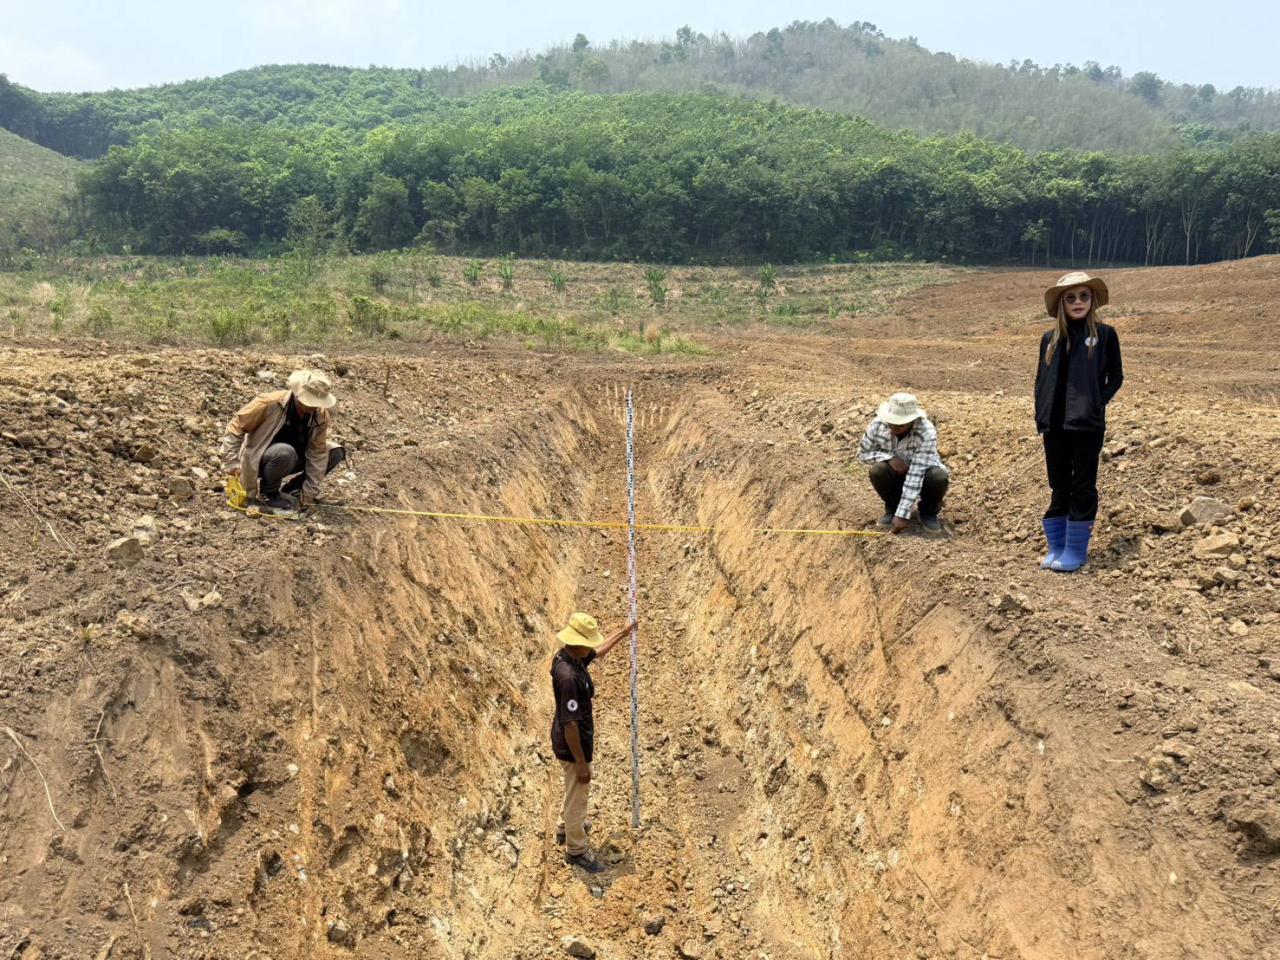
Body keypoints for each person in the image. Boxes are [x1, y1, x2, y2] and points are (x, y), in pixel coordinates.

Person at [1034, 272, 1124, 572]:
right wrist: (1041, 412)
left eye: (1083, 296)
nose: (1077, 302)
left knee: (1082, 485)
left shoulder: (1105, 335)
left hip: (1086, 425)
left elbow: (1116, 377)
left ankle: (1075, 550)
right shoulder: (1049, 339)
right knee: (1058, 484)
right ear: (1061, 303)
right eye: (1070, 298)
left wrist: (1097, 403)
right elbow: (1040, 380)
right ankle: (1057, 547)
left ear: (1092, 300)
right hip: (1054, 424)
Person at [550, 611, 636, 874]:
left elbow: (598, 652)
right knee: (578, 794)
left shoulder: (570, 656)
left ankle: (566, 828)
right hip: (571, 746)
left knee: (572, 789)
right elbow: (570, 724)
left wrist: (623, 632)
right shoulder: (568, 677)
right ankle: (576, 850)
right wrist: (580, 763)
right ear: (578, 642)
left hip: (569, 743)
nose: (590, 647)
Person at [219, 369, 346, 511]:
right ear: (298, 393)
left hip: (292, 459)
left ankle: (294, 490)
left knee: (335, 451)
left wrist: (310, 492)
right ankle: (269, 493)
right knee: (285, 452)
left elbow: (318, 453)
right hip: (260, 460)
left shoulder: (320, 416)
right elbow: (236, 426)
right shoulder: (269, 403)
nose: (313, 406)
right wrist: (231, 461)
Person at [858, 392, 950, 534]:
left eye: (900, 425)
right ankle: (892, 508)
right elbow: (863, 453)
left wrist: (902, 515)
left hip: (922, 474)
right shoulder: (877, 425)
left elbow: (916, 474)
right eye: (891, 423)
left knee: (938, 476)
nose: (894, 428)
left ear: (912, 421)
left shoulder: (926, 432)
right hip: (896, 475)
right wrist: (888, 458)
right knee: (878, 470)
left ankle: (928, 512)